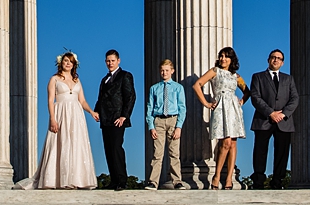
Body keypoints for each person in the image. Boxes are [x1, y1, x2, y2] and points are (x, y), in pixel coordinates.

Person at [17, 50, 98, 189]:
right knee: (61, 144)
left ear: (74, 65)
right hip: (61, 113)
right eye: (66, 61)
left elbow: (82, 100)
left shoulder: (77, 80)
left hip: (76, 116)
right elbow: (50, 100)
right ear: (61, 62)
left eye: (71, 61)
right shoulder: (54, 79)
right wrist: (52, 119)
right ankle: (59, 180)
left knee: (76, 145)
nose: (68, 63)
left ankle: (77, 180)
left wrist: (91, 112)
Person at [194, 47, 248, 190]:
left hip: (233, 109)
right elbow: (197, 85)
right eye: (221, 56)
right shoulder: (214, 71)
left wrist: (241, 102)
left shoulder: (236, 76)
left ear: (232, 59)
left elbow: (247, 91)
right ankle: (217, 175)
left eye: (226, 56)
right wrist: (206, 103)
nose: (223, 59)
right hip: (220, 107)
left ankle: (229, 178)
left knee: (233, 144)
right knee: (225, 142)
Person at [249, 49, 300, 189]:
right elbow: (255, 97)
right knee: (260, 151)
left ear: (282, 63)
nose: (276, 60)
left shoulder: (288, 79)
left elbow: (294, 98)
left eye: (279, 58)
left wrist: (283, 114)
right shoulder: (258, 77)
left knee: (282, 152)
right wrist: (271, 113)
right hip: (264, 120)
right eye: (273, 57)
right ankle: (258, 181)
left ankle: (277, 181)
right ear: (268, 59)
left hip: (284, 121)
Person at [94, 49, 136, 191]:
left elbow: (130, 97)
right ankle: (113, 180)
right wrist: (96, 111)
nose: (110, 63)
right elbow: (100, 98)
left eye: (112, 60)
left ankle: (122, 181)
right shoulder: (104, 80)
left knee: (117, 148)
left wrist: (124, 116)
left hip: (118, 118)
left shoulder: (125, 76)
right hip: (105, 119)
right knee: (108, 149)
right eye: (108, 61)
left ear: (118, 61)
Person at [143, 59, 187, 191]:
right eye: (162, 70)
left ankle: (177, 181)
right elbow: (150, 107)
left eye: (167, 70)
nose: (164, 72)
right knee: (158, 153)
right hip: (159, 121)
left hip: (173, 119)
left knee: (174, 153)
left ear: (172, 71)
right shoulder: (154, 88)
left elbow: (182, 108)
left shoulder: (178, 88)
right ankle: (153, 181)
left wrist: (179, 126)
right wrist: (151, 126)